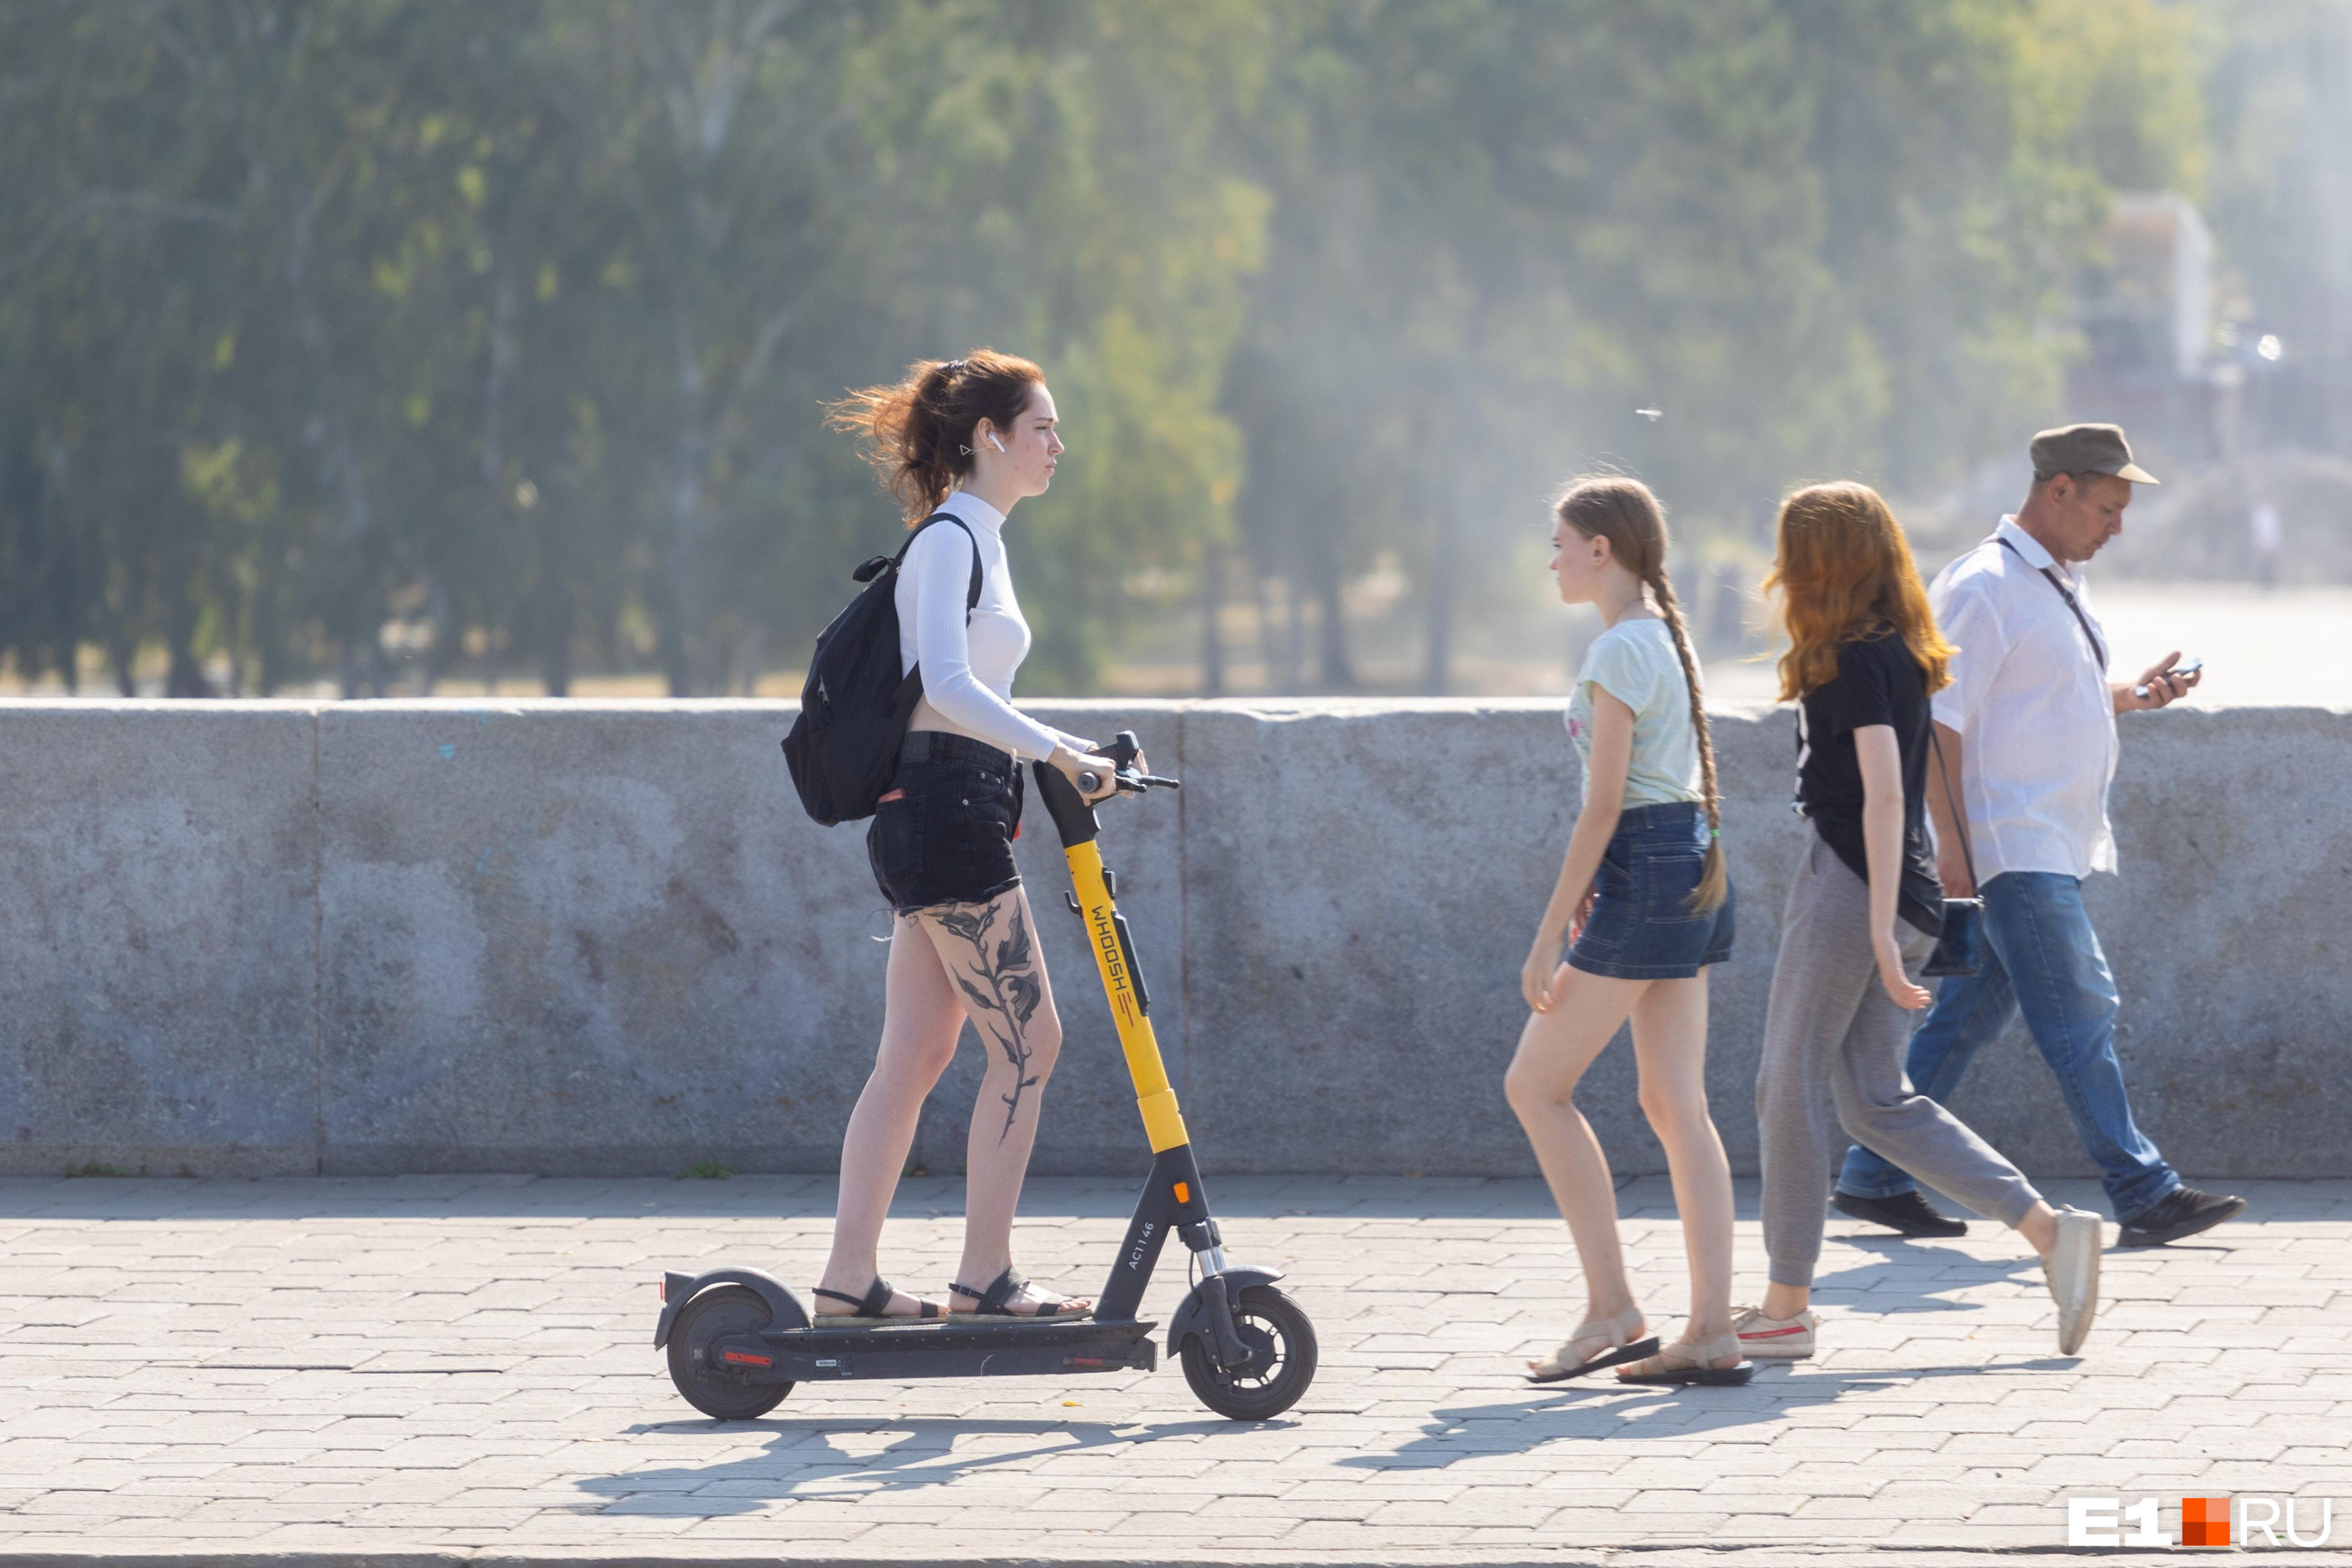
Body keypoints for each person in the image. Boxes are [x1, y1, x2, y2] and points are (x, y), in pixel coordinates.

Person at [1831, 424, 2243, 1250]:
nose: (2118, 524)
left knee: (1965, 1019)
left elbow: (2041, 698)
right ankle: (2143, 1185)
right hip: (2007, 845)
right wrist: (1953, 855)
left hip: (2047, 838)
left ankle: (1873, 1173)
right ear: (2058, 490)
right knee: (2082, 1008)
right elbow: (1939, 725)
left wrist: (2130, 695)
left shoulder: (2054, 579)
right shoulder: (1985, 583)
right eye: (2108, 505)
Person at [1738, 483, 2103, 1362]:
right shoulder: (1895, 646)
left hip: (1853, 885)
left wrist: (1871, 928)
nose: (1780, 568)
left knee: (1784, 1081)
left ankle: (1786, 1303)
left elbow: (1885, 792)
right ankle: (2052, 1231)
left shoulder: (1857, 656)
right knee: (1874, 1099)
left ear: (1822, 560)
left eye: (1792, 550)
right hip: (1894, 888)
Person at [812, 350, 1120, 1322]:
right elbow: (947, 685)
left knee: (912, 1057)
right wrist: (1058, 749)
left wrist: (1055, 749)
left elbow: (973, 693)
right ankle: (985, 1276)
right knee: (1032, 1043)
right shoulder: (951, 539)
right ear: (990, 437)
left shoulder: (982, 535)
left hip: (955, 809)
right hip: (945, 816)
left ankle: (848, 1280)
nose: (1056, 446)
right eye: (1042, 428)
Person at [1506, 476, 1751, 1388]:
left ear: (1602, 548)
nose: (1554, 558)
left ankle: (1613, 1304)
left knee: (1536, 1083)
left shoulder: (1616, 652)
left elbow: (1603, 806)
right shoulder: (1662, 641)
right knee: (1677, 1105)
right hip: (1686, 862)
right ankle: (1712, 1328)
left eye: (1562, 541)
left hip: (1646, 870)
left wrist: (1545, 938)